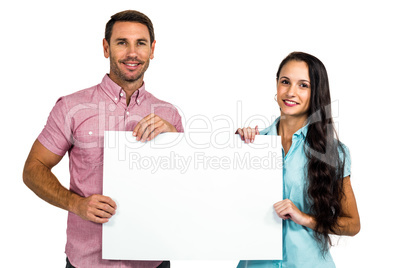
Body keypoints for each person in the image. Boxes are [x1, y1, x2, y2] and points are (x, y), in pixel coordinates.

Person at [23, 10, 182, 268]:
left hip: (153, 261)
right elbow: (33, 169)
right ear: (106, 47)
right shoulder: (71, 107)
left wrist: (174, 142)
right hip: (88, 261)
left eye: (140, 43)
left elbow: (186, 190)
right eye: (122, 42)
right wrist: (76, 204)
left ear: (152, 49)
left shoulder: (169, 115)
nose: (132, 53)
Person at [236, 52, 360, 267]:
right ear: (276, 86)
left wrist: (304, 218)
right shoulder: (252, 145)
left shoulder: (333, 152)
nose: (291, 92)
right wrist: (235, 148)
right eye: (285, 82)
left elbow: (352, 224)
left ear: (316, 92)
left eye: (303, 85)